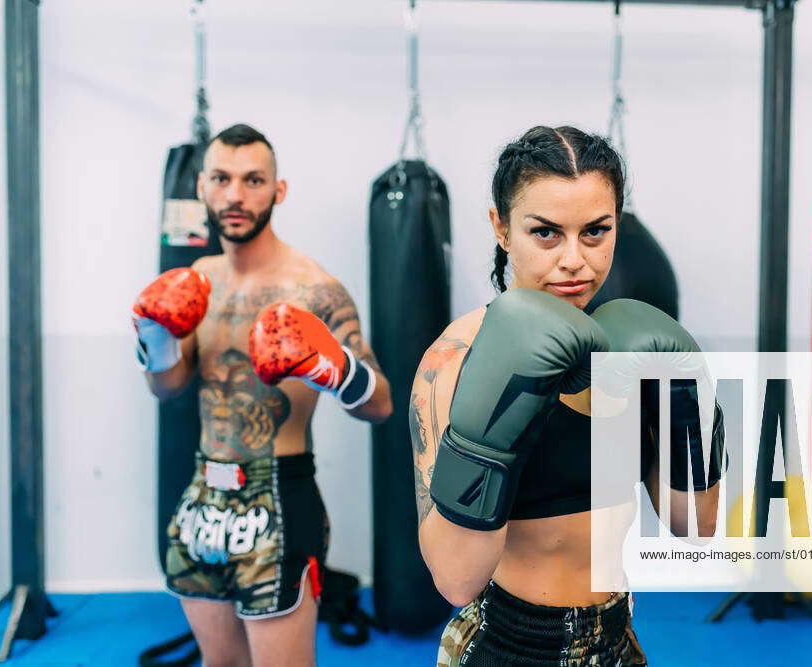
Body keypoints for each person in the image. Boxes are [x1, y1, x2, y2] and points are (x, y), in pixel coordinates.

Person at [410, 125, 724, 666]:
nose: (574, 259)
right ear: (502, 229)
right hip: (507, 644)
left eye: (595, 232)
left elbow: (694, 527)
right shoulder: (456, 360)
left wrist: (689, 406)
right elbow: (455, 580)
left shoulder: (629, 352)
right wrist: (496, 425)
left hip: (616, 641)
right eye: (547, 233)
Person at [133, 123, 392, 667]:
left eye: (253, 180)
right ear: (202, 187)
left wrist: (336, 367)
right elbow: (169, 389)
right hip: (204, 497)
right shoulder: (198, 279)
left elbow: (380, 405)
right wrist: (155, 347)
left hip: (278, 496)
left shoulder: (315, 288)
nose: (235, 195)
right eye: (222, 179)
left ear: (279, 191)